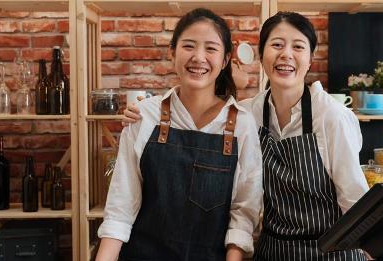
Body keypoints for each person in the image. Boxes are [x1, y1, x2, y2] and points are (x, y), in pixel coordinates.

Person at [123, 11, 369, 261]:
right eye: (277, 45)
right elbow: (198, 112)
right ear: (261, 55)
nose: (286, 54)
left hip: (330, 252)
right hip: (274, 251)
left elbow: (355, 200)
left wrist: (369, 251)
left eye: (298, 46)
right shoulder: (249, 112)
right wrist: (146, 112)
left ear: (310, 58)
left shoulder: (332, 117)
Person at [96, 8, 262, 261]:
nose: (198, 57)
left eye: (210, 48)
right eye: (189, 46)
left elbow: (243, 213)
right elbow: (121, 207)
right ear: (172, 51)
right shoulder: (144, 116)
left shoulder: (241, 123)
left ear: (226, 59)